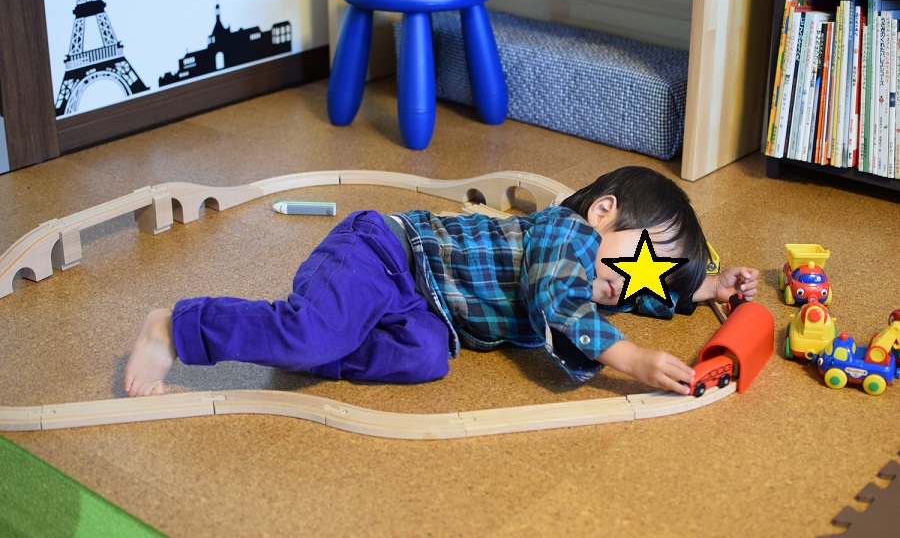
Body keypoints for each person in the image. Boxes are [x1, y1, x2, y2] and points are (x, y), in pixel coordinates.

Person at [124, 166, 759, 398]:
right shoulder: (567, 237)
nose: (635, 284)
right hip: (385, 253)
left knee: (426, 358)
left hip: (428, 310)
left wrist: (703, 289)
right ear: (602, 213)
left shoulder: (610, 277)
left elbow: (635, 291)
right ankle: (175, 328)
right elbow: (561, 305)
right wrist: (633, 358)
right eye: (641, 258)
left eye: (656, 276)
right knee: (314, 331)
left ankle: (323, 346)